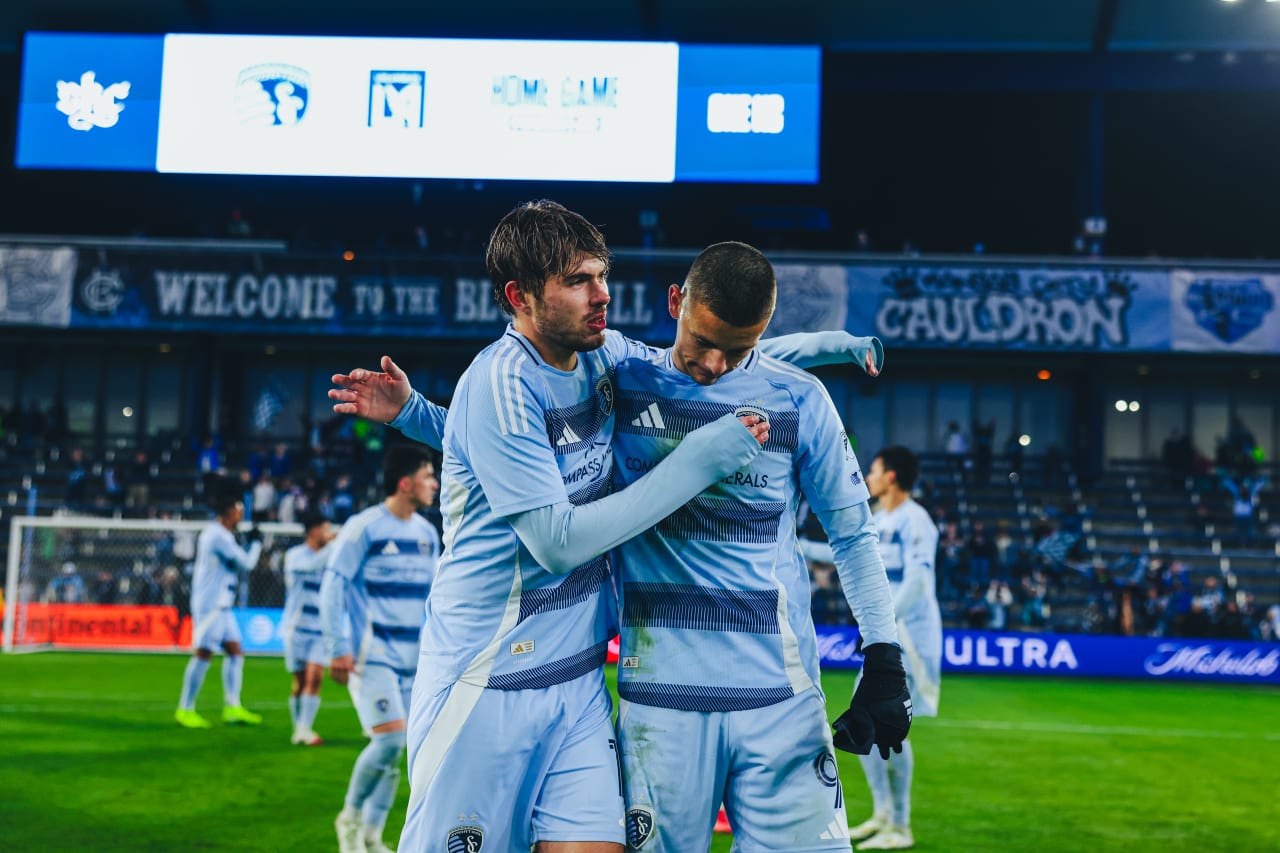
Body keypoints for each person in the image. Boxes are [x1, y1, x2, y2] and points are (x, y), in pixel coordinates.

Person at [328, 202, 883, 853]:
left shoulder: (602, 355)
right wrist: (700, 460)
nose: (602, 296)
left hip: (583, 685)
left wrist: (838, 347)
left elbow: (708, 359)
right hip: (486, 677)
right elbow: (555, 539)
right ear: (521, 296)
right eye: (578, 281)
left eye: (600, 275)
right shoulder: (504, 381)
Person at [603, 242, 908, 852]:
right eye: (701, 342)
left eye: (738, 350)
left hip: (783, 700)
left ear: (764, 332)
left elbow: (852, 537)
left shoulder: (799, 400)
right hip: (661, 706)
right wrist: (412, 414)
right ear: (675, 304)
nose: (714, 365)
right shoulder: (620, 384)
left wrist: (884, 656)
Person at [320, 445, 440, 853]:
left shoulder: (427, 535)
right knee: (389, 741)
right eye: (428, 476)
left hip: (414, 659)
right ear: (405, 483)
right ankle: (350, 820)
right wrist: (338, 647)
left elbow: (436, 599)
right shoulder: (364, 527)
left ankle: (371, 836)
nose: (435, 484)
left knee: (399, 749)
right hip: (372, 656)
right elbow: (333, 585)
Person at [847, 445, 941, 850]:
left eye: (874, 470)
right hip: (887, 639)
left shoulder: (916, 520)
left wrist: (880, 630)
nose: (868, 477)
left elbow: (919, 582)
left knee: (891, 727)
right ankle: (883, 815)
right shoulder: (880, 518)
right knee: (864, 720)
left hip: (912, 641)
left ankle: (900, 826)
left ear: (891, 477)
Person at [173, 478, 264, 729]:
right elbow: (247, 563)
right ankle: (185, 708)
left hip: (221, 605)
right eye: (239, 511)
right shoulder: (217, 536)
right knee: (203, 654)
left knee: (235, 651)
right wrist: (256, 543)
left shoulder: (222, 535)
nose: (241, 515)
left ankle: (232, 707)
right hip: (210, 604)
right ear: (230, 512)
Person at [282, 510, 336, 747]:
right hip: (296, 627)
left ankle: (305, 729)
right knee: (299, 682)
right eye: (326, 528)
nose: (330, 533)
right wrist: (333, 548)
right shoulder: (295, 556)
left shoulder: (331, 557)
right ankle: (298, 728)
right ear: (314, 531)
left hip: (320, 628)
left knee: (315, 678)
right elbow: (310, 567)